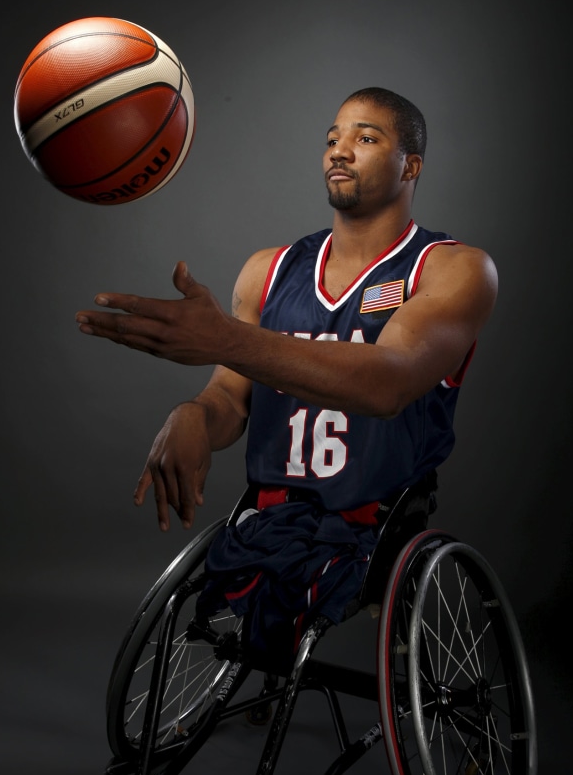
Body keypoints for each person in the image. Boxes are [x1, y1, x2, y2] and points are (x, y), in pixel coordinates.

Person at [75, 87, 498, 658]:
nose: (339, 150)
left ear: (411, 166)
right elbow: (231, 398)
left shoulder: (453, 267)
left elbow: (388, 383)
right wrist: (194, 413)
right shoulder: (268, 271)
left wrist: (226, 339)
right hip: (272, 511)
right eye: (332, 138)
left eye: (366, 138)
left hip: (377, 518)